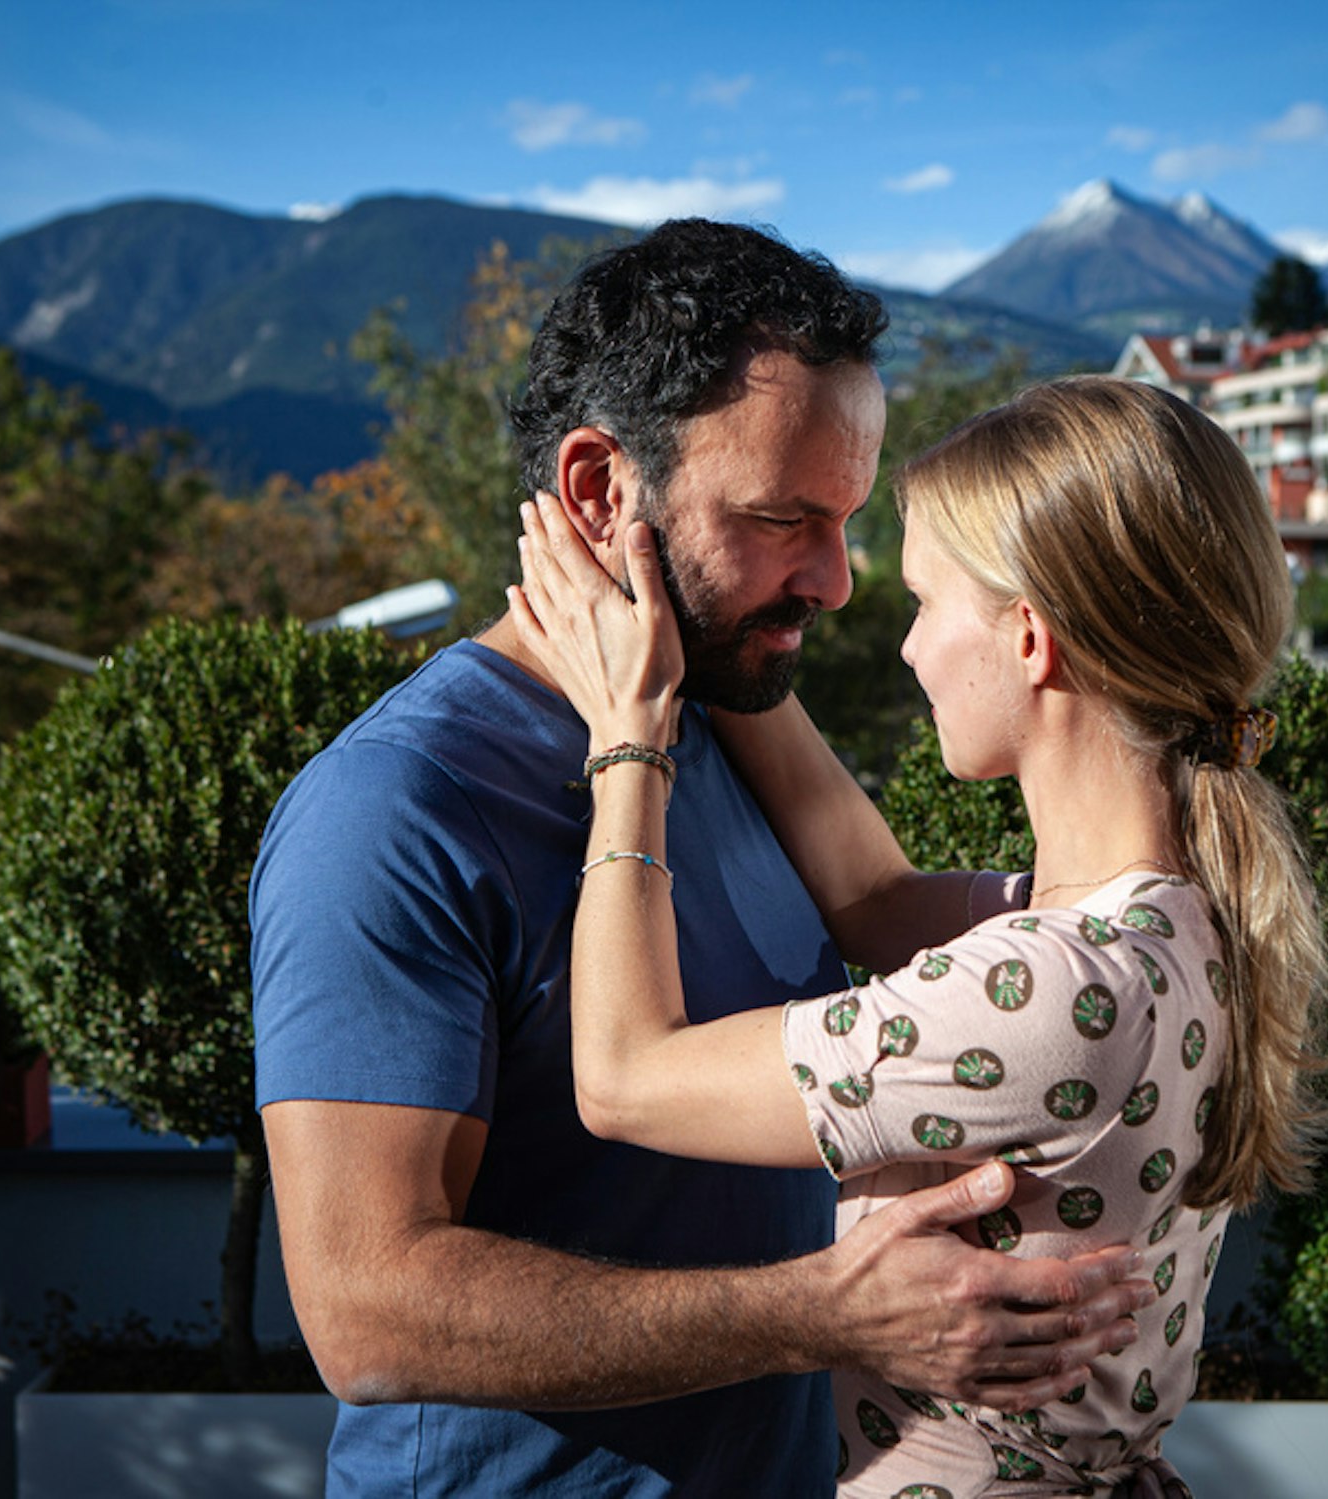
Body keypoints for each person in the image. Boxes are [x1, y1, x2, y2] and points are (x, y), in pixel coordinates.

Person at [251, 222, 1153, 1498]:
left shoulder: (715, 702)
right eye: (783, 518)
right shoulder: (393, 809)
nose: (836, 582)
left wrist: (1161, 916)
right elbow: (364, 1310)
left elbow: (888, 908)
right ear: (596, 491)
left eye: (843, 520)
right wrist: (821, 1310)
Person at [508, 374, 1328, 1497]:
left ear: (1030, 637)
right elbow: (872, 895)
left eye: (923, 602)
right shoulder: (1170, 923)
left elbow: (623, 1075)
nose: (903, 648)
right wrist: (726, 637)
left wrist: (630, 735)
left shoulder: (1041, 990)